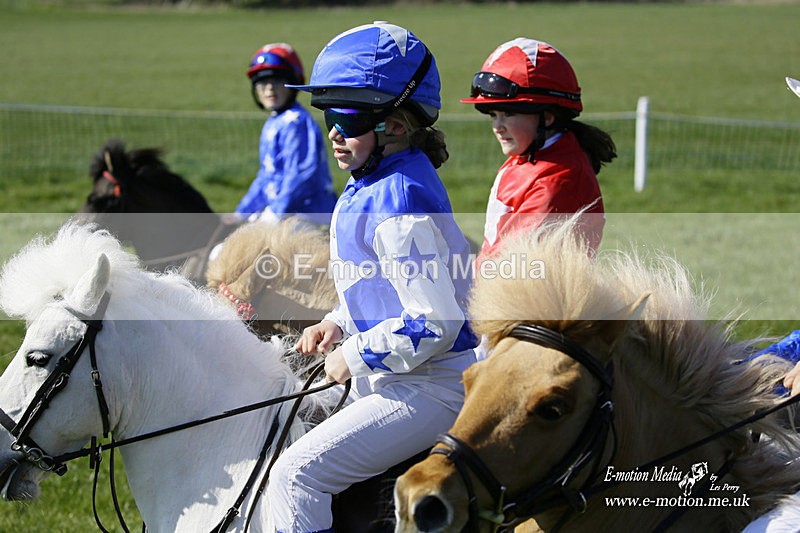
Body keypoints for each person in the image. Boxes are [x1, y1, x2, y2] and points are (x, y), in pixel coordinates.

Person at [265, 22, 478, 532]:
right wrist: (338, 321)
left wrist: (353, 354)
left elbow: (436, 321)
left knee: (294, 477)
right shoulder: (376, 178)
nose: (334, 133)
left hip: (431, 388)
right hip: (400, 373)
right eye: (328, 116)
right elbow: (379, 285)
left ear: (396, 126)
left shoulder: (397, 202)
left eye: (349, 118)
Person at [460, 38, 616, 260]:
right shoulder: (532, 154)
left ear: (547, 117)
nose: (497, 127)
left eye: (508, 114)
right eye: (493, 115)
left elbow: (511, 263)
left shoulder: (555, 184)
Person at [235, 43, 337, 226]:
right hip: (283, 211)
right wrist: (242, 212)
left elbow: (301, 175)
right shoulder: (274, 122)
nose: (269, 89)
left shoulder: (296, 122)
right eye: (262, 82)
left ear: (292, 83)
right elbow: (266, 176)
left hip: (308, 214)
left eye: (277, 81)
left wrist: (275, 213)